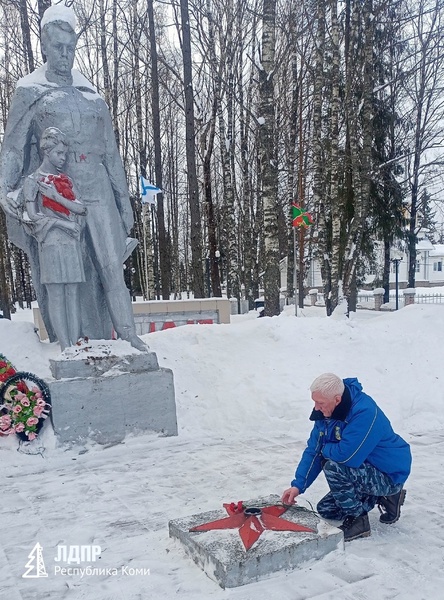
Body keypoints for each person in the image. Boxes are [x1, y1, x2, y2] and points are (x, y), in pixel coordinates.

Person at [0, 5, 146, 352]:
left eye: (70, 47)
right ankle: (72, 343)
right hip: (57, 198)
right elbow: (14, 148)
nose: (65, 55)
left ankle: (126, 334)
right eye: (58, 47)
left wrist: (124, 207)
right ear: (45, 46)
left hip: (99, 196)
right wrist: (6, 187)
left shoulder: (91, 95)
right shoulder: (31, 91)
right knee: (68, 276)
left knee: (112, 269)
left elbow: (111, 154)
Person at [281, 373, 412, 542]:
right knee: (327, 509)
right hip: (365, 468)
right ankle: (384, 497)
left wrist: (325, 448)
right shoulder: (326, 413)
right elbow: (314, 450)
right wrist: (298, 485)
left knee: (333, 466)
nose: (316, 408)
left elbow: (346, 457)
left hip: (388, 473)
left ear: (337, 399)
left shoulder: (364, 412)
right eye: (314, 401)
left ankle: (359, 520)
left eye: (320, 403)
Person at [24, 127, 86, 350]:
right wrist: (63, 224)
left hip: (70, 243)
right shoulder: (32, 181)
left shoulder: (65, 180)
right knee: (57, 294)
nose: (63, 158)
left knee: (73, 293)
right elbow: (32, 217)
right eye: (59, 153)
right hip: (50, 243)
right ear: (46, 151)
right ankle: (64, 346)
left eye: (65, 154)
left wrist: (56, 196)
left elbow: (81, 208)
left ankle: (76, 343)